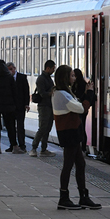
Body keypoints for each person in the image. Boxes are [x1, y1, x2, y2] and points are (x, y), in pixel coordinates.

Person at [52, 65, 101, 210]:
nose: (74, 78)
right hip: (69, 132)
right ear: (65, 77)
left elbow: (77, 104)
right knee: (68, 165)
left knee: (80, 164)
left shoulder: (65, 92)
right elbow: (81, 108)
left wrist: (85, 95)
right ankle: (64, 197)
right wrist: (90, 94)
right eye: (72, 75)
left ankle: (83, 196)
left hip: (72, 131)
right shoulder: (61, 93)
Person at [0, 60, 22, 154]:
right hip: (8, 105)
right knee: (10, 126)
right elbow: (15, 91)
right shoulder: (9, 77)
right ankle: (15, 146)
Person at [30, 60, 57, 157]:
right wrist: (51, 93)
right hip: (43, 106)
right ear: (48, 68)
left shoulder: (49, 78)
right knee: (42, 128)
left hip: (50, 106)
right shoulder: (41, 79)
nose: (54, 70)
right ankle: (34, 148)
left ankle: (44, 149)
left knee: (48, 128)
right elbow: (42, 93)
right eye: (53, 68)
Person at [7, 62, 29, 153]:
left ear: (15, 68)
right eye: (9, 69)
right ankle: (12, 145)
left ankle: (22, 145)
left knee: (20, 126)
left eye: (12, 69)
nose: (11, 71)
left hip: (20, 106)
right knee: (11, 127)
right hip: (10, 106)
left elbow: (26, 91)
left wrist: (26, 104)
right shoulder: (7, 79)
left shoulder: (22, 77)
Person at [72, 68, 96, 154]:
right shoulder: (83, 84)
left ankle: (81, 147)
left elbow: (79, 97)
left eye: (73, 75)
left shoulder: (78, 85)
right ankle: (83, 147)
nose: (73, 77)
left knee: (80, 127)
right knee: (82, 127)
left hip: (81, 108)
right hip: (83, 109)